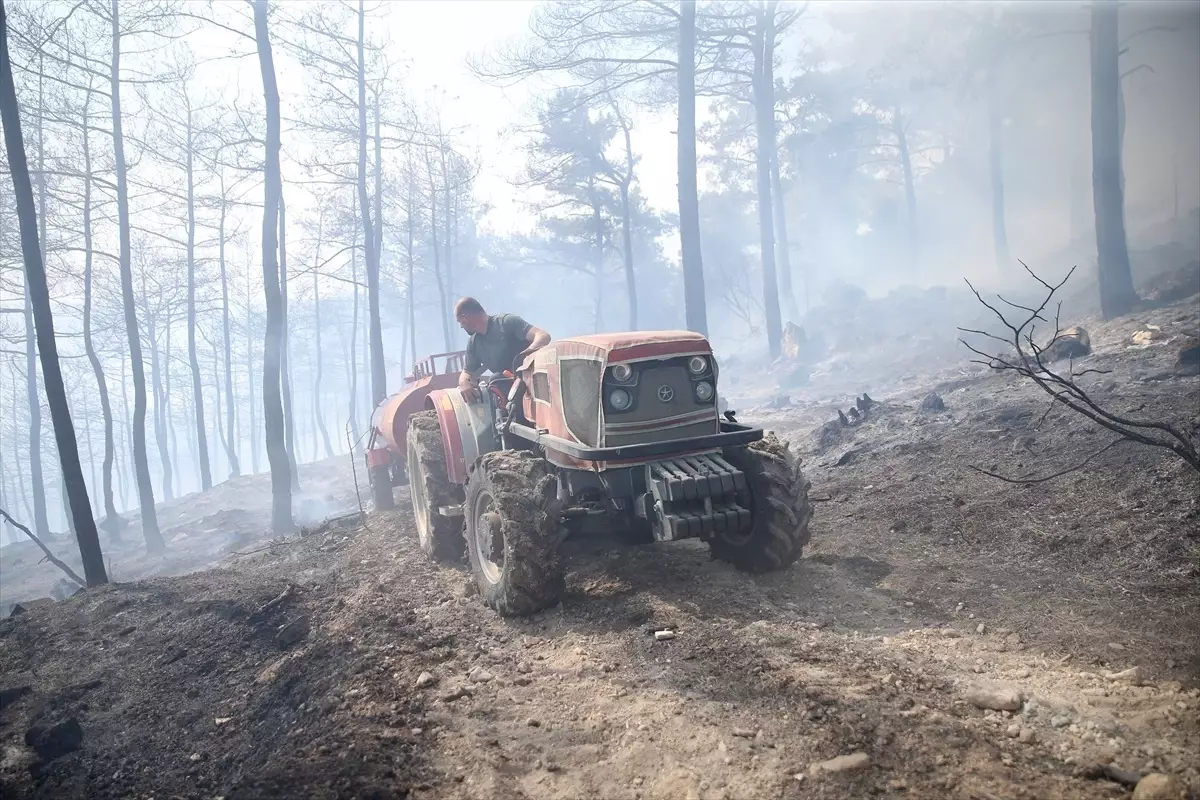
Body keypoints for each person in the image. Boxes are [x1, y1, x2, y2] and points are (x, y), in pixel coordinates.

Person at [454, 297, 550, 402]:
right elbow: (467, 371)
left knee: (495, 378)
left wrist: (525, 356)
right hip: (508, 390)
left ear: (466, 317)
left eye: (460, 321)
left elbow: (543, 336)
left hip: (533, 383)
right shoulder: (474, 343)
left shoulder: (506, 323)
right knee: (495, 380)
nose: (461, 326)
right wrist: (464, 383)